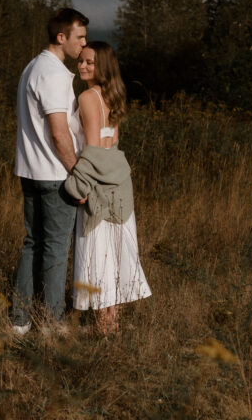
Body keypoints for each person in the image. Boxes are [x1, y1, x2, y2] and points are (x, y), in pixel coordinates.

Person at [64, 41, 151, 335]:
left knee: (99, 252)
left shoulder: (88, 97)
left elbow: (92, 149)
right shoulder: (113, 96)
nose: (83, 66)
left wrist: (78, 186)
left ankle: (104, 328)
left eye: (90, 62)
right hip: (119, 184)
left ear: (103, 67)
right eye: (81, 62)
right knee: (113, 254)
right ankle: (111, 325)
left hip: (98, 184)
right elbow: (111, 144)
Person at [11, 7, 89, 335]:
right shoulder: (56, 75)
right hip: (54, 173)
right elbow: (59, 133)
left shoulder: (33, 66)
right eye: (79, 37)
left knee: (34, 243)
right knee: (56, 248)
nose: (83, 45)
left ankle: (20, 320)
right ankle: (53, 324)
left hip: (29, 171)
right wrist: (77, 173)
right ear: (61, 37)